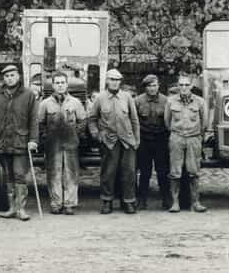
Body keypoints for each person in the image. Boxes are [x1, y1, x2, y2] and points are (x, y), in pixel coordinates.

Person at [31, 71, 87, 215]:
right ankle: (56, 203)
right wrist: (45, 135)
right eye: (57, 83)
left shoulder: (75, 102)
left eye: (62, 82)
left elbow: (82, 121)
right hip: (53, 143)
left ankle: (69, 204)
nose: (60, 85)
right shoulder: (45, 104)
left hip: (71, 142)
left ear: (67, 84)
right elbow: (40, 122)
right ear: (53, 85)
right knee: (53, 172)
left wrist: (77, 134)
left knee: (71, 173)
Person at [87, 68, 140, 214]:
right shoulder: (100, 98)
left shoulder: (127, 97)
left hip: (127, 141)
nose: (115, 83)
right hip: (109, 141)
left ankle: (128, 201)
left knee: (129, 172)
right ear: (107, 81)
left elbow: (134, 120)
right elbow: (92, 119)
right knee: (108, 172)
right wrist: (97, 135)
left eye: (117, 80)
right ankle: (107, 201)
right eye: (112, 79)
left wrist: (136, 140)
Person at [0, 65, 37, 221]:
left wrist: (33, 140)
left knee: (19, 175)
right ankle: (11, 208)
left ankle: (21, 209)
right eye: (7, 76)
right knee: (8, 176)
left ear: (18, 77)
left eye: (12, 75)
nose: (9, 78)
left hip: (20, 142)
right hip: (3, 141)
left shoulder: (28, 95)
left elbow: (33, 120)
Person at [165, 74, 210, 213]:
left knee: (193, 171)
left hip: (193, 138)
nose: (183, 87)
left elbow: (204, 123)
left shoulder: (200, 102)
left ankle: (195, 202)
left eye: (186, 85)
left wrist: (196, 136)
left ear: (191, 86)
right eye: (181, 85)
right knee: (175, 172)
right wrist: (176, 133)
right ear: (178, 86)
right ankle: (175, 203)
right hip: (177, 138)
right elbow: (167, 122)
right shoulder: (171, 101)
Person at [134, 74, 170, 211]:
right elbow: (134, 121)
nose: (152, 88)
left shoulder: (166, 101)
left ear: (158, 86)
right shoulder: (137, 101)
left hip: (161, 140)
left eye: (154, 85)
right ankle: (142, 200)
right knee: (144, 172)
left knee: (163, 171)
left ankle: (166, 199)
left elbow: (169, 121)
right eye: (149, 86)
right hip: (144, 140)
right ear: (145, 87)